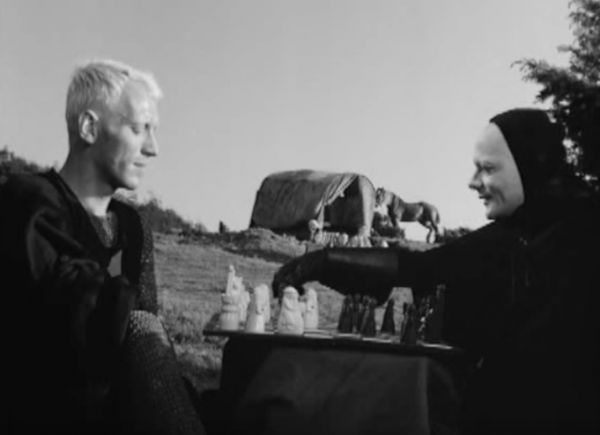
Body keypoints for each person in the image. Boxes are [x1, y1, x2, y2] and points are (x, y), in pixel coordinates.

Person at [272, 108, 600, 434]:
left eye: (489, 169)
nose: (474, 183)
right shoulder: (516, 232)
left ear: (530, 164)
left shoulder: (579, 235)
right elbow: (424, 268)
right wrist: (325, 261)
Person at [0, 60, 205, 434]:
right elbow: (75, 317)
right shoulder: (28, 203)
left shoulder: (132, 226)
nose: (153, 148)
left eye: (154, 131)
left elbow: (145, 346)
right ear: (89, 127)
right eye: (138, 129)